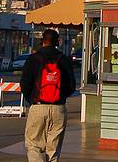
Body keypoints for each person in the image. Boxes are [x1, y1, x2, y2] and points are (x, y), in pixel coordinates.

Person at [19, 29, 76, 162]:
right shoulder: (64, 60)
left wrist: (32, 99)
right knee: (54, 148)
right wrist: (60, 97)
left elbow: (25, 84)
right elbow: (71, 86)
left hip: (38, 106)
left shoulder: (33, 59)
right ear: (58, 42)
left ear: (42, 41)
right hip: (58, 108)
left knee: (34, 145)